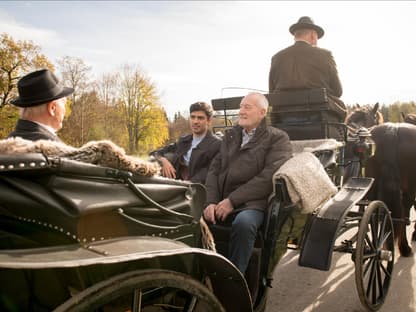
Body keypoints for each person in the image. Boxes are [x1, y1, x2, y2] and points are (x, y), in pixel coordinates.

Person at [203, 92, 292, 273]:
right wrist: (210, 201)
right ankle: (204, 273)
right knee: (190, 217)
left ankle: (236, 279)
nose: (241, 111)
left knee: (244, 224)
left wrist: (232, 201)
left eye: (247, 107)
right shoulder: (230, 136)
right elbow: (214, 169)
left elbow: (269, 177)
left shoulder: (277, 138)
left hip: (252, 202)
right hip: (220, 198)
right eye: (241, 107)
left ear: (262, 112)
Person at [268, 16, 346, 120]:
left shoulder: (276, 57)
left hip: (283, 118)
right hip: (320, 116)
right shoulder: (325, 55)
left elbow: (272, 90)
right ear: (313, 35)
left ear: (295, 36)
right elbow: (338, 91)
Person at [150, 101, 221, 184]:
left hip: (197, 189)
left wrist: (185, 185)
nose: (195, 121)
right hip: (175, 184)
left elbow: (210, 172)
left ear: (209, 121)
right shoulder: (183, 141)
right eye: (192, 117)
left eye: (200, 118)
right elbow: (156, 152)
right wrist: (163, 160)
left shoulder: (217, 145)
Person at [8, 68, 73, 142]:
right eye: (64, 103)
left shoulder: (6, 144)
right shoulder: (55, 150)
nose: (64, 111)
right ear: (52, 108)